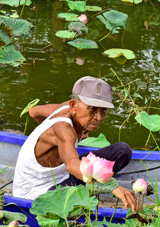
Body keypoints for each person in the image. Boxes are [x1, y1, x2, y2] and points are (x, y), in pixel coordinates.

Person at [13, 76, 138, 212]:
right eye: (92, 110)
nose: (99, 117)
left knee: (122, 151)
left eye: (104, 111)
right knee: (82, 179)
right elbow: (71, 164)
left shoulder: (67, 108)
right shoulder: (63, 129)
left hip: (62, 176)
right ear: (73, 106)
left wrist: (57, 139)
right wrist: (112, 185)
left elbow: (33, 112)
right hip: (38, 194)